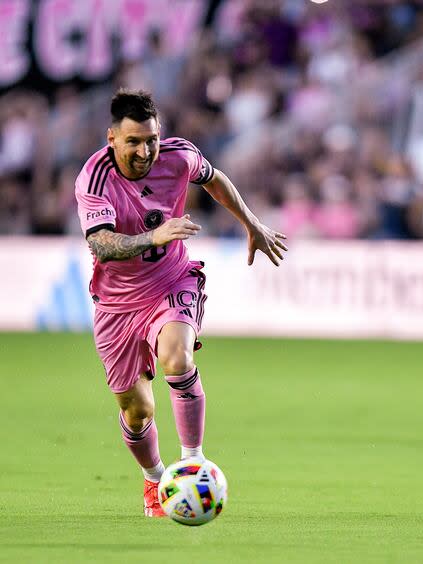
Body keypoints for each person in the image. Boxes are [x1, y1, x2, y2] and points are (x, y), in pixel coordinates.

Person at [74, 89, 287, 517]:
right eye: (134, 141)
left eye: (151, 139)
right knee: (137, 412)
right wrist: (153, 236)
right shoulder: (94, 178)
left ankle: (193, 461)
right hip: (117, 305)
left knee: (176, 357)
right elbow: (101, 244)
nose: (145, 150)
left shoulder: (179, 156)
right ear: (112, 138)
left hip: (172, 281)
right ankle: (155, 479)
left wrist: (252, 222)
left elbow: (215, 179)